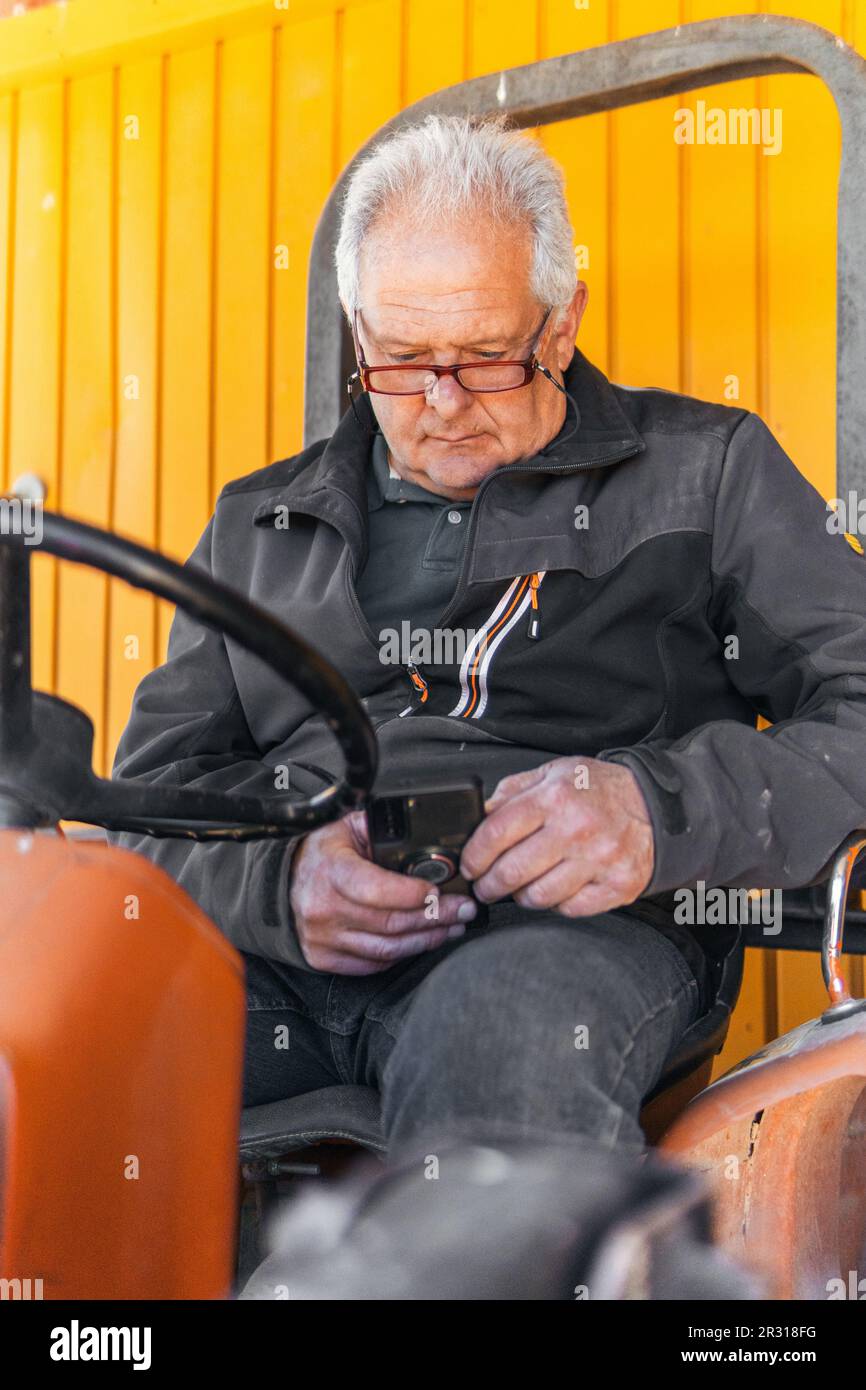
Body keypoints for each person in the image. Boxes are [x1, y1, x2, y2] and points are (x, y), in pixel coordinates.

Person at [110, 112, 866, 1169]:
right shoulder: (258, 523)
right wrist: (276, 887)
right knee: (58, 1038)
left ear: (559, 326)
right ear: (356, 329)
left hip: (568, 945)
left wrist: (655, 810)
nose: (440, 406)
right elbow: (145, 809)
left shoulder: (708, 470)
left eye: (481, 358)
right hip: (274, 962)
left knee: (502, 1058)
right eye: (402, 359)